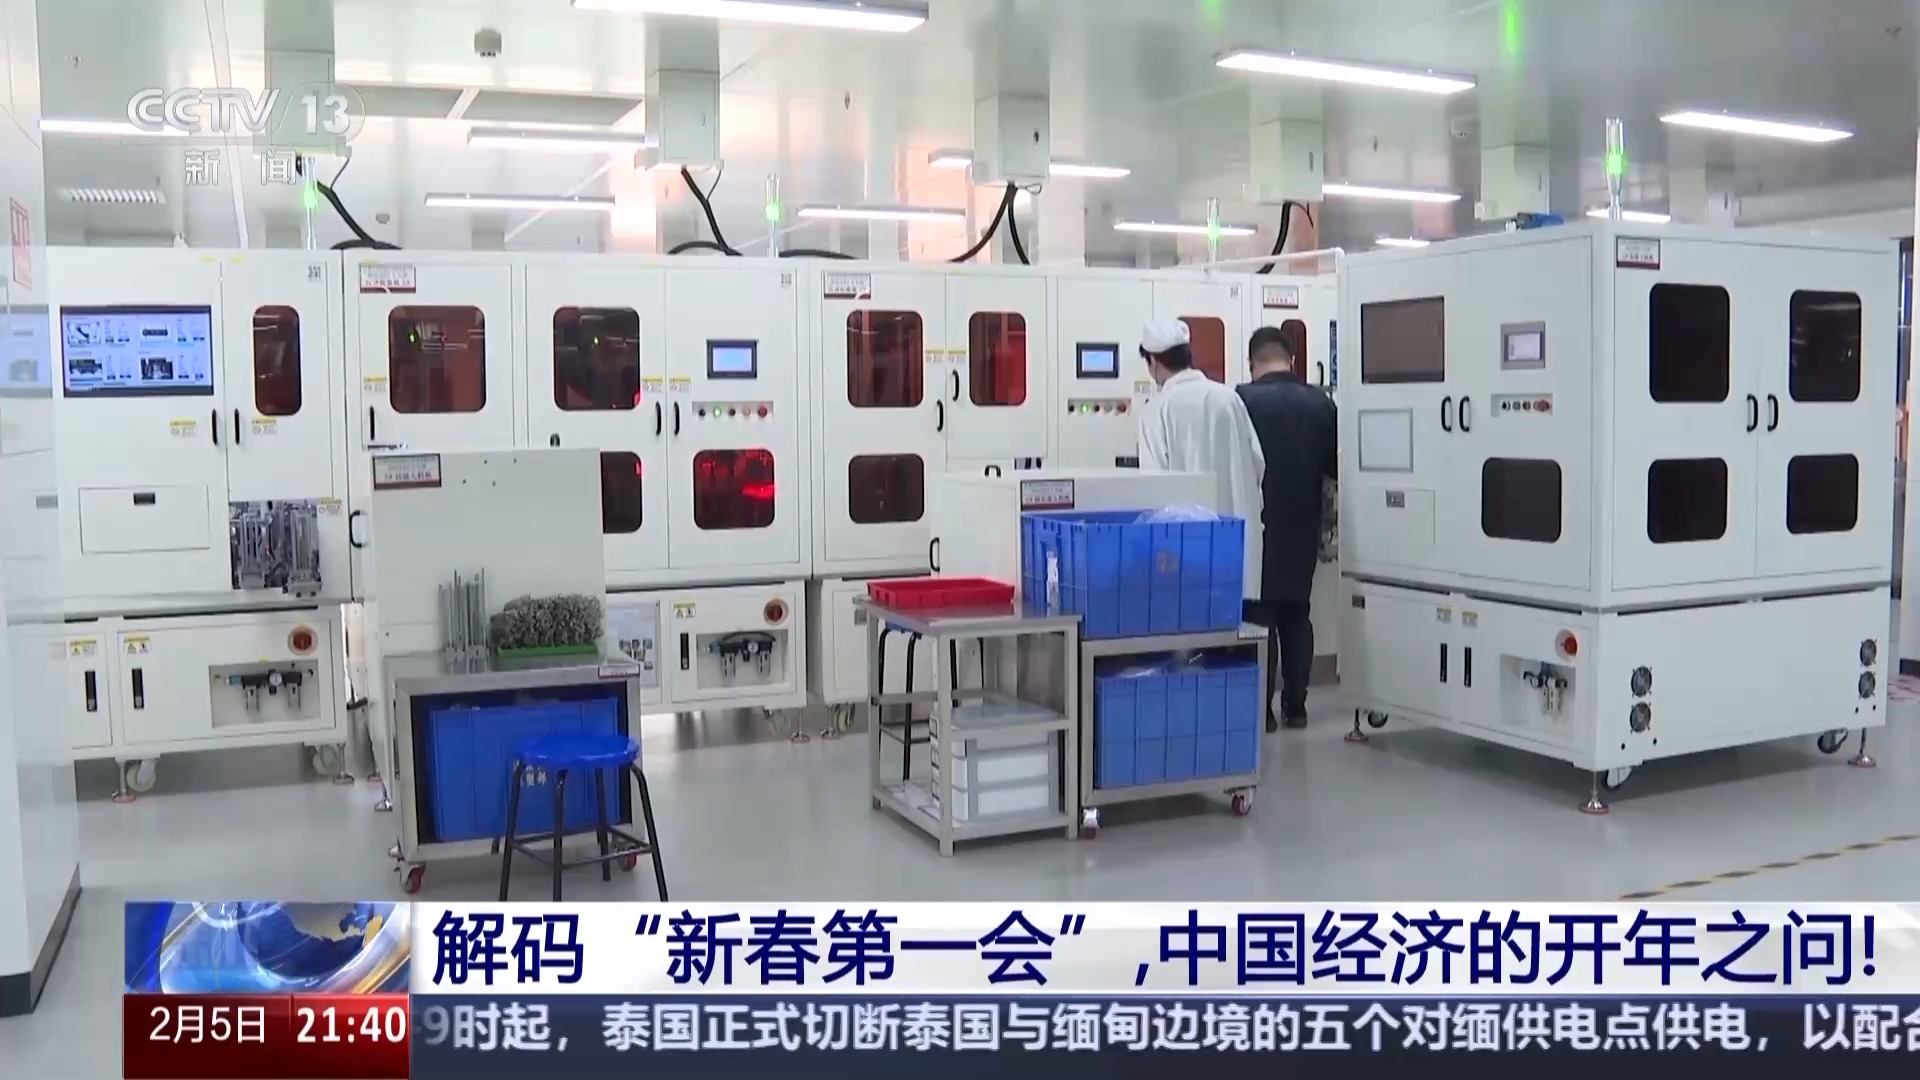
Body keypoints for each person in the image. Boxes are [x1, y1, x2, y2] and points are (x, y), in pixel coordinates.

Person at [1236, 325, 1337, 731]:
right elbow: (1334, 467)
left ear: (1251, 362)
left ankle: (1262, 712)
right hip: (1302, 523)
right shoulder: (1320, 403)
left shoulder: (1241, 401)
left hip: (1257, 524)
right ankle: (1297, 707)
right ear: (1292, 359)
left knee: (1260, 618)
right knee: (1297, 614)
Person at [1136, 319, 1266, 607]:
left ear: (1153, 362)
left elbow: (1154, 488)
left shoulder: (1156, 411)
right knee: (1240, 621)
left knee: (1194, 622)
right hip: (1238, 540)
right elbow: (1258, 463)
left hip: (1187, 548)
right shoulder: (1228, 398)